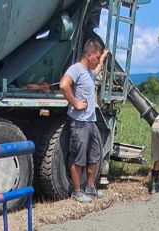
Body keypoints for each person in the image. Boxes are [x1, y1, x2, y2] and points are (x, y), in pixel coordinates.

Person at [59, 39, 109, 204]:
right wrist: (75, 103)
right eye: (96, 57)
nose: (97, 61)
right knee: (78, 157)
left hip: (90, 122)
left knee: (94, 156)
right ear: (89, 55)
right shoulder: (77, 69)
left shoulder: (89, 72)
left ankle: (90, 187)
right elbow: (64, 85)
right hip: (79, 123)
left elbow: (98, 67)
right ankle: (77, 191)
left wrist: (103, 57)